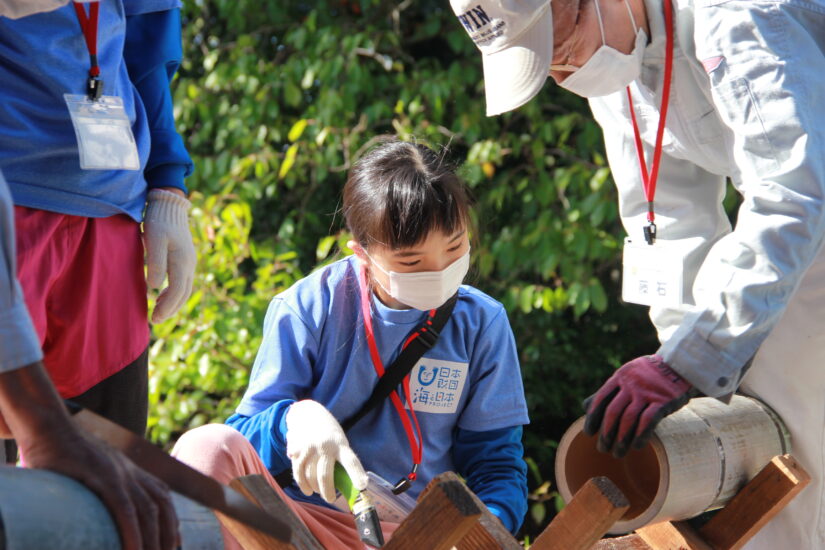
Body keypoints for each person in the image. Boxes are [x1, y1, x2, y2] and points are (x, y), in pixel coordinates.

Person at [452, 0, 825, 547]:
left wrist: (693, 359)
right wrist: (685, 374)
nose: (564, 76)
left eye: (560, 50)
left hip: (808, 206)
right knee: (758, 426)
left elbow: (794, 197)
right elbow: (668, 223)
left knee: (801, 437)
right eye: (549, 69)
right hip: (803, 219)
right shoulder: (621, 65)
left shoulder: (739, 15)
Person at [172, 140, 530, 548]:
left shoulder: (482, 322)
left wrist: (482, 532)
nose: (439, 271)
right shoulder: (307, 308)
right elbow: (243, 443)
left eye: (454, 248)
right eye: (411, 262)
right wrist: (293, 421)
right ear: (362, 253)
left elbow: (497, 467)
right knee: (204, 447)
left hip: (417, 534)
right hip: (298, 523)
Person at [0, 0, 196, 439]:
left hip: (112, 212)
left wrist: (168, 188)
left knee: (110, 470)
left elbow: (148, 52)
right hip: (10, 203)